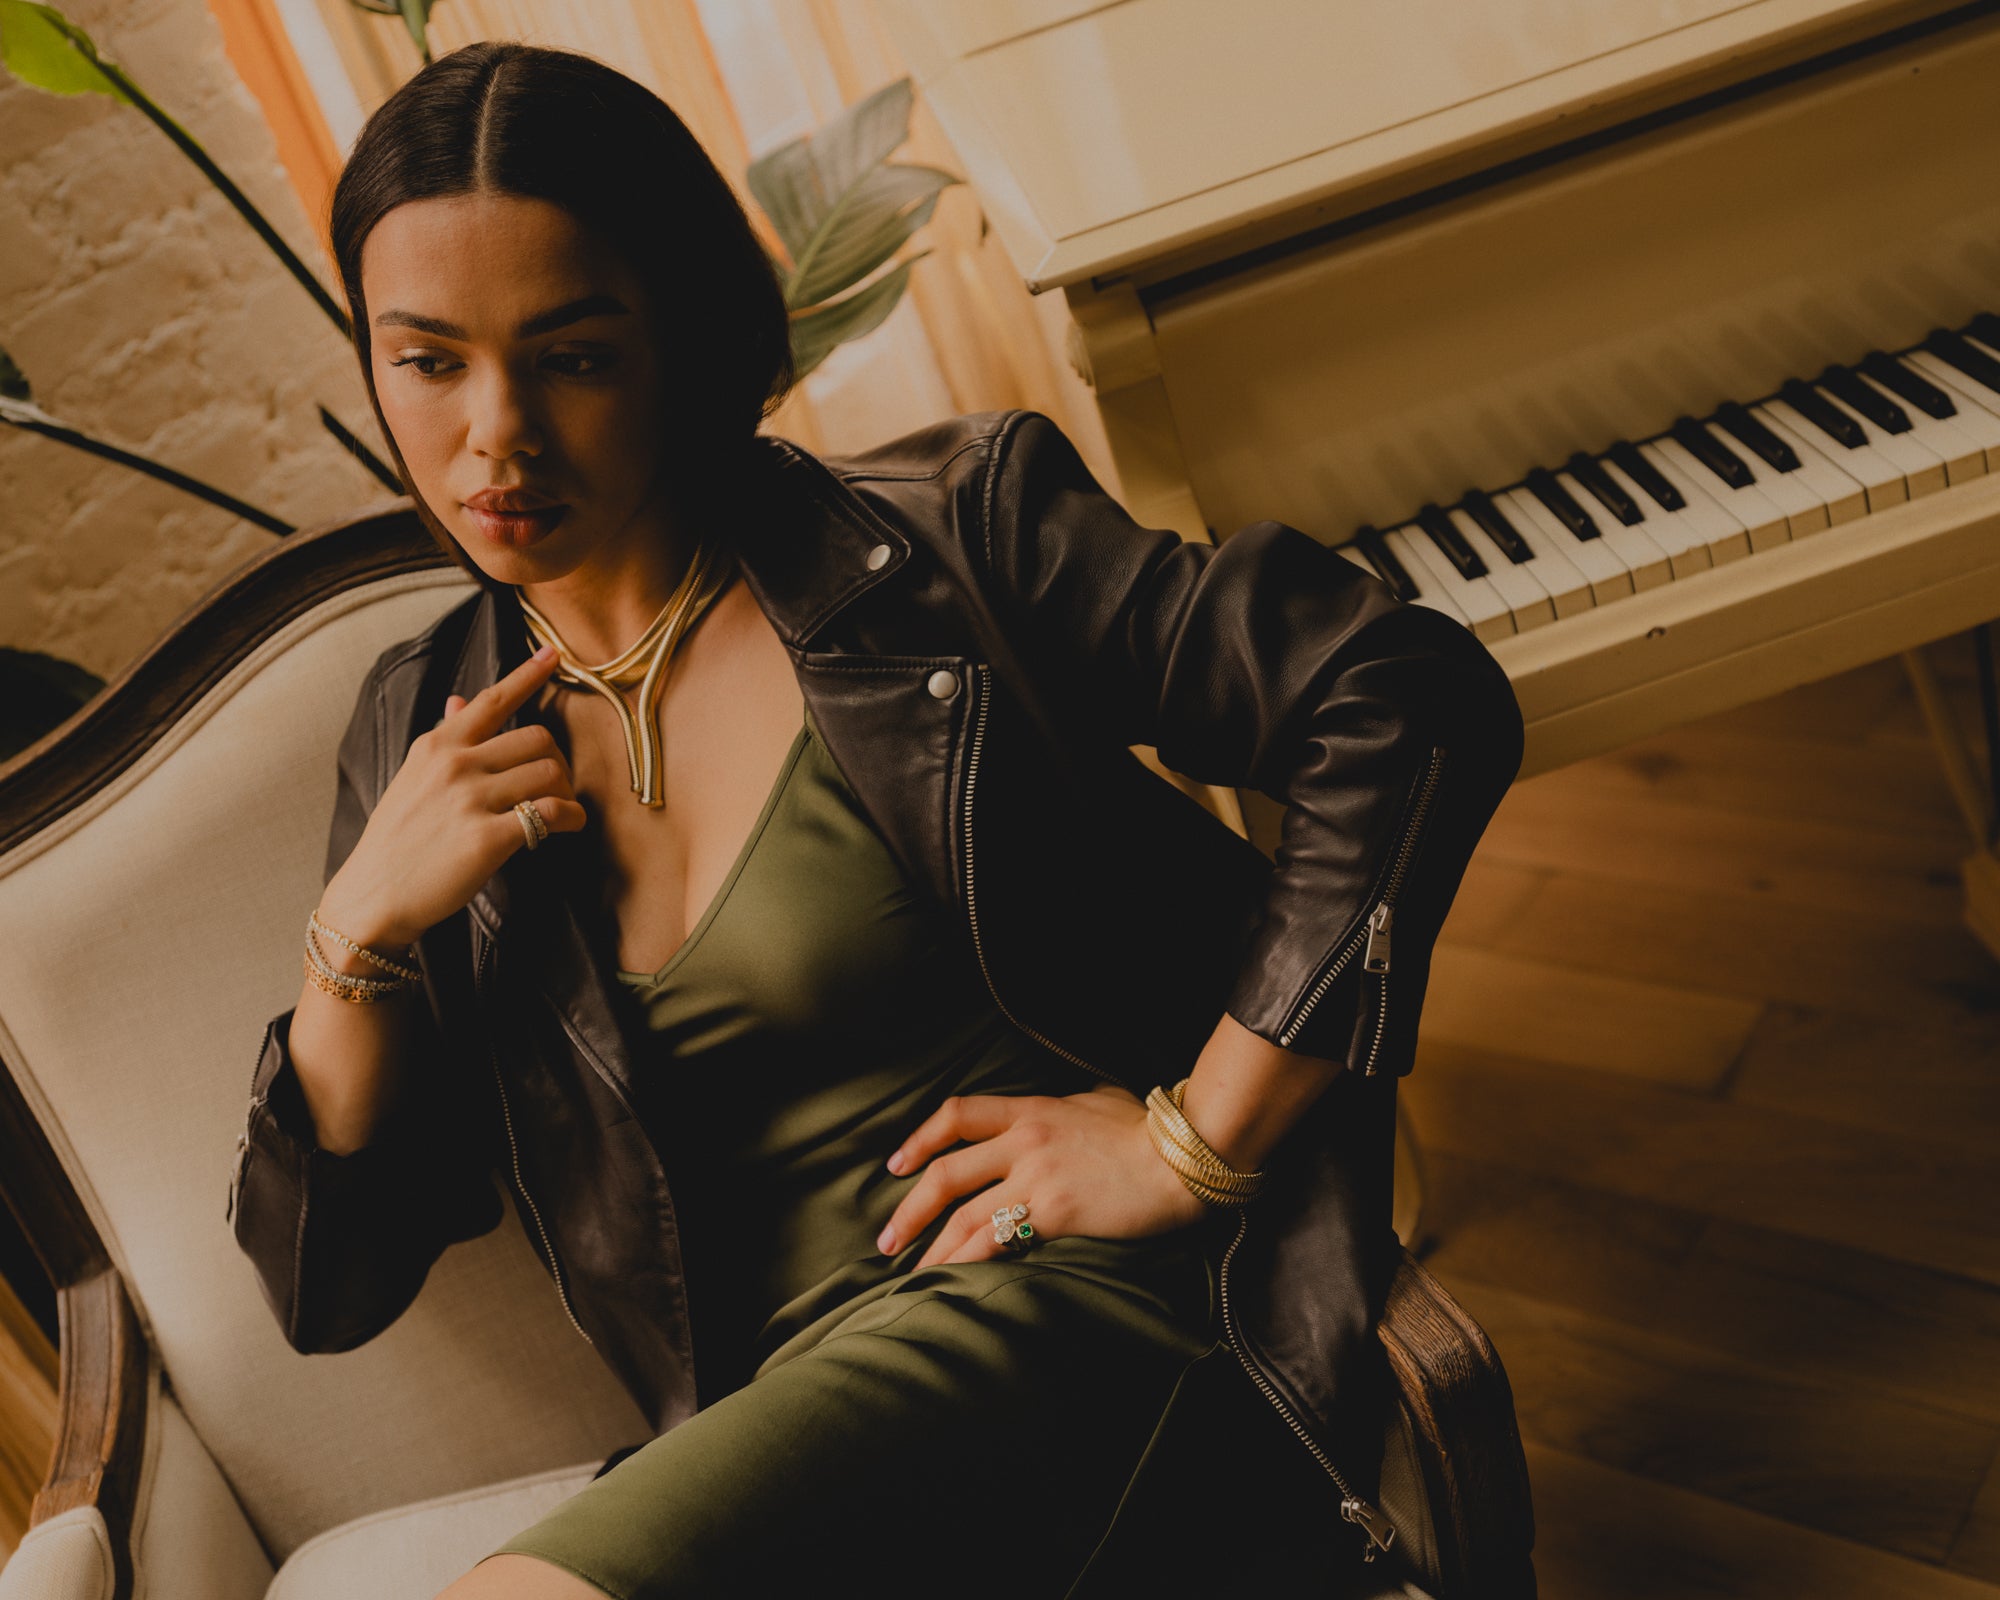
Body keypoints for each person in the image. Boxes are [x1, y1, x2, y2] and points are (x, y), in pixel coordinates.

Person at [226, 38, 1525, 1600]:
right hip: (780, 1421)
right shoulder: (421, 725)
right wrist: (354, 932)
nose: (494, 436)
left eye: (570, 354)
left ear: (687, 337)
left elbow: (1405, 696)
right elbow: (334, 1281)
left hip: (1077, 1307)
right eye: (426, 359)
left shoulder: (947, 544)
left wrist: (1193, 1142)